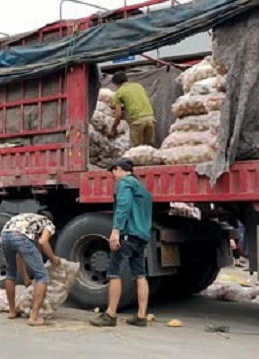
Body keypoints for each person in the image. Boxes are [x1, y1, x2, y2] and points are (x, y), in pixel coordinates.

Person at [89, 158, 153, 328]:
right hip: (141, 236)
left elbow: (124, 206)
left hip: (127, 234)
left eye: (113, 172)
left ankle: (110, 315)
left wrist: (116, 230)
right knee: (140, 275)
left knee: (114, 273)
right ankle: (141, 316)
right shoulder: (142, 188)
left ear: (118, 169)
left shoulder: (125, 184)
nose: (113, 176)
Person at [0, 210, 62, 326]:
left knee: (10, 273)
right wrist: (53, 257)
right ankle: (34, 317)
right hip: (20, 236)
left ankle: (12, 312)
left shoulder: (25, 217)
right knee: (42, 275)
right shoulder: (47, 223)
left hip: (4, 235)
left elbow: (19, 256)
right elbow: (43, 242)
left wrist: (26, 279)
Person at [108, 71, 156, 147]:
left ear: (116, 83)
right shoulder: (138, 86)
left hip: (137, 121)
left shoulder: (119, 93)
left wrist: (113, 129)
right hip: (150, 119)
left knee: (136, 150)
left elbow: (118, 114)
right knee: (149, 149)